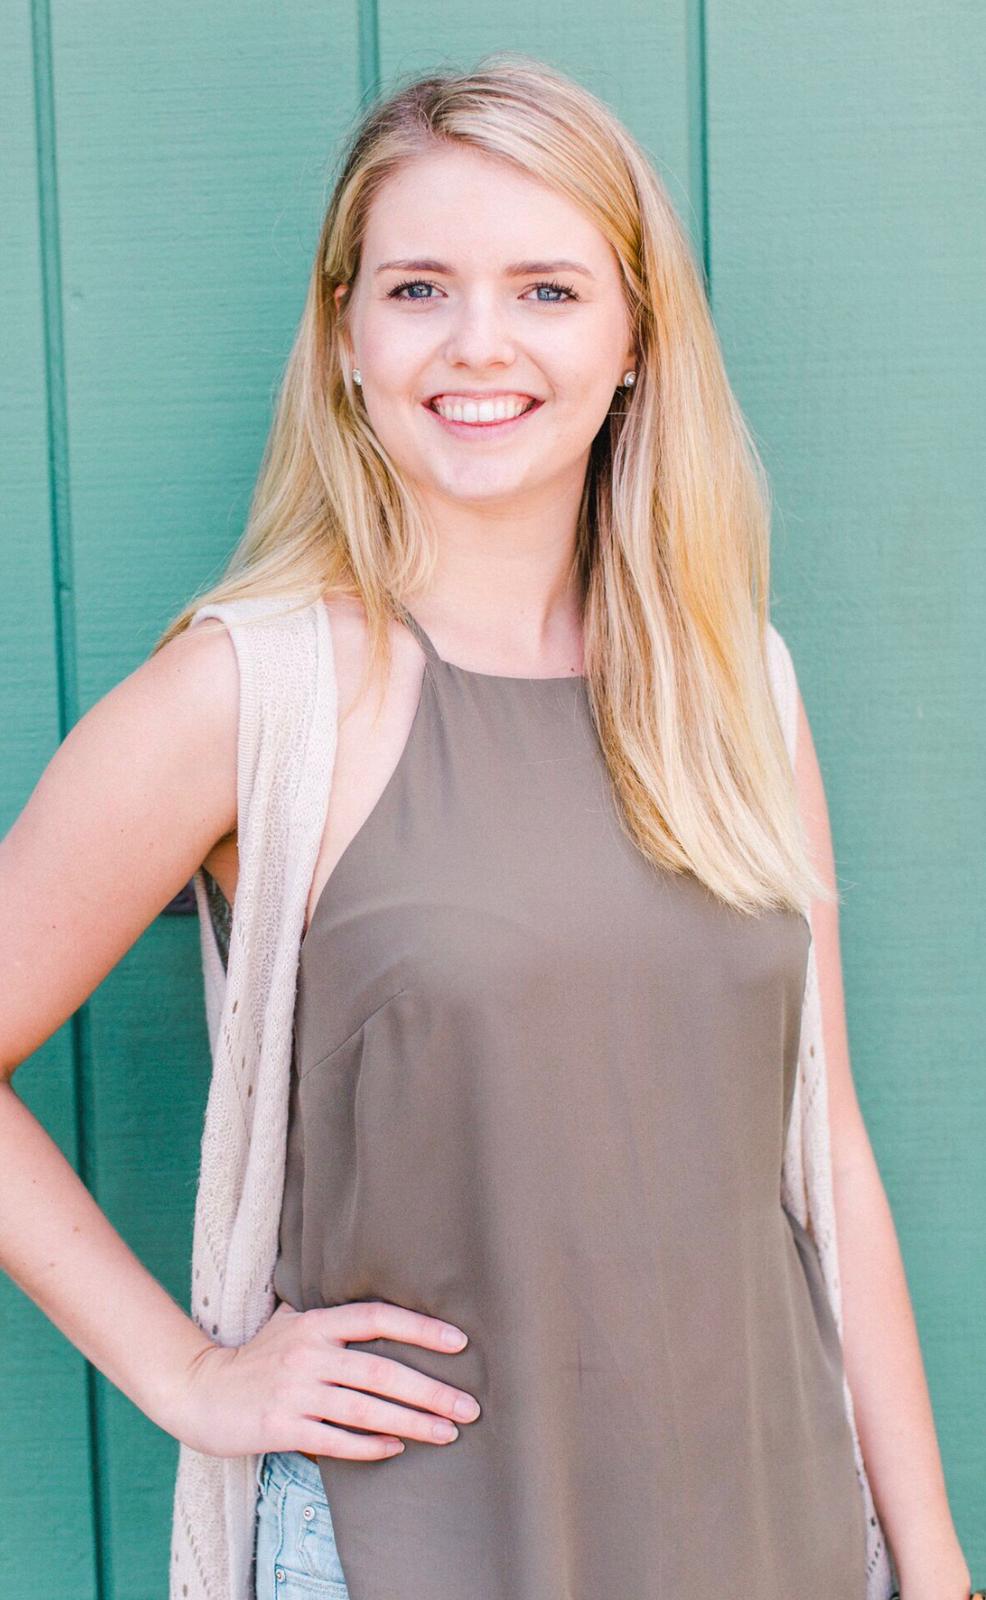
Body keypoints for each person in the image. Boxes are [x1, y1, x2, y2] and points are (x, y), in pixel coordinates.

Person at [0, 51, 973, 1600]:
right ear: (343, 338)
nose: (476, 345)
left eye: (544, 290)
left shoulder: (737, 686)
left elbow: (820, 1147)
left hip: (780, 1535)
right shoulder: (251, 694)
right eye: (416, 290)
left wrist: (926, 1557)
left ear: (634, 338)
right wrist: (191, 1375)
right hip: (425, 1551)